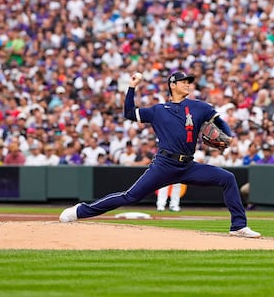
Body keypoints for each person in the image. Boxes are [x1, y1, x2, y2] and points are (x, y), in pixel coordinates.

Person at [60, 71, 261, 238]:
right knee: (129, 197)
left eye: (189, 82)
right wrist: (132, 87)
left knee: (227, 178)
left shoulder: (199, 107)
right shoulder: (158, 110)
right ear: (172, 85)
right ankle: (80, 211)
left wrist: (229, 135)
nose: (188, 85)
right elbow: (129, 113)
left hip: (188, 166)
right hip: (164, 165)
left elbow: (218, 120)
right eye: (184, 82)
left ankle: (238, 226)